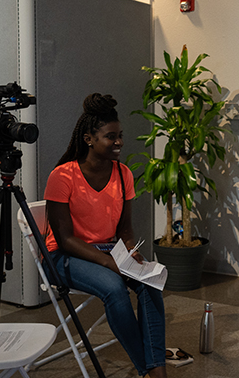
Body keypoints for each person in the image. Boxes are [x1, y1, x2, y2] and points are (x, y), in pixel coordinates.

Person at [44, 93, 167, 378]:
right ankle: (147, 370)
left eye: (120, 136)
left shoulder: (123, 174)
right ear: (89, 139)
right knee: (114, 288)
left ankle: (157, 370)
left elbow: (124, 229)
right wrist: (109, 262)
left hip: (110, 250)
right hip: (63, 255)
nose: (119, 142)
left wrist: (131, 252)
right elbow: (64, 238)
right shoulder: (62, 176)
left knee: (150, 284)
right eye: (111, 137)